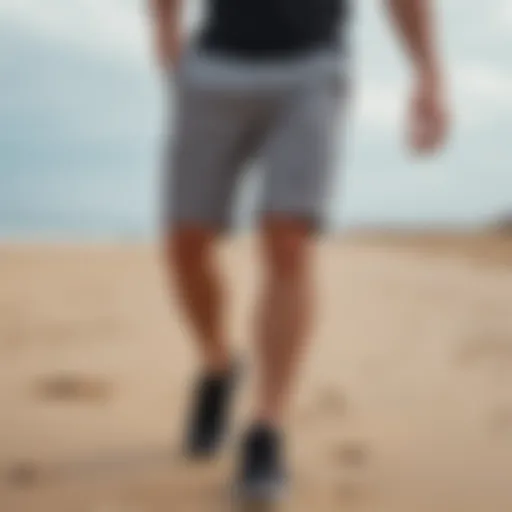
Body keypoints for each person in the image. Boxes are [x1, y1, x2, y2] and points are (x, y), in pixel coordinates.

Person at [149, 0, 448, 502]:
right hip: (216, 62)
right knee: (186, 241)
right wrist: (165, 26)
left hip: (312, 66)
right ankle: (219, 365)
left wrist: (428, 72)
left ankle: (266, 425)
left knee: (288, 241)